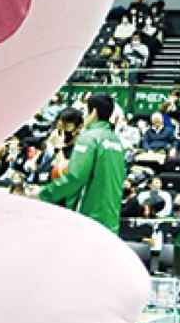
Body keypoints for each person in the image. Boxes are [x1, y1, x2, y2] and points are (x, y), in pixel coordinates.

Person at [36, 93, 127, 233]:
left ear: (94, 112)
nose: (84, 115)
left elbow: (75, 177)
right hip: (111, 220)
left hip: (88, 218)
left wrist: (44, 194)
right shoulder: (116, 141)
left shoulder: (89, 138)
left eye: (85, 111)